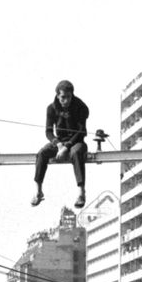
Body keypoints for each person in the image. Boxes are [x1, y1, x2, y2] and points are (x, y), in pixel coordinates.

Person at [32, 80, 90, 209]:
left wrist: (67, 147)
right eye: (63, 97)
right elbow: (48, 131)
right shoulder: (51, 109)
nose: (66, 100)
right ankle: (38, 190)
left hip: (76, 141)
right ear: (58, 95)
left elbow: (81, 131)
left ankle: (81, 192)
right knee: (42, 153)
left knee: (76, 152)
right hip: (59, 142)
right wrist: (58, 145)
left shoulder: (81, 107)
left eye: (69, 97)